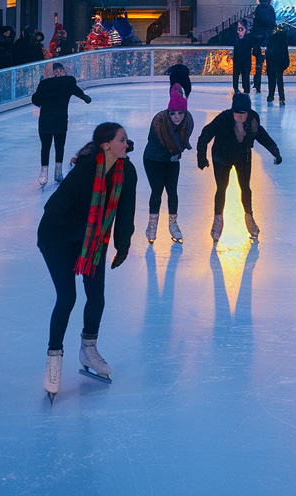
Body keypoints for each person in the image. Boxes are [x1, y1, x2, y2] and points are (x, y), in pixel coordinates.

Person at [38, 121, 137, 400]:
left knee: (96, 296)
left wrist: (123, 243)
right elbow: (53, 208)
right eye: (122, 140)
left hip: (93, 242)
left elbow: (125, 209)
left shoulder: (126, 171)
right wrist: (78, 234)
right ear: (106, 145)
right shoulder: (84, 169)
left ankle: (88, 350)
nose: (127, 144)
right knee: (67, 297)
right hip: (58, 238)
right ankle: (54, 359)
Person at [197, 92, 282, 242]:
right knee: (222, 188)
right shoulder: (223, 118)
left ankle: (249, 217)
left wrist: (275, 152)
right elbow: (205, 134)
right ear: (232, 110)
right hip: (221, 156)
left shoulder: (252, 121)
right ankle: (218, 220)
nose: (240, 116)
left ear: (248, 112)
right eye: (237, 113)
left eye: (243, 113)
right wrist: (201, 157)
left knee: (245, 187)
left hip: (243, 156)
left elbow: (262, 136)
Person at [143, 84, 194, 242]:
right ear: (168, 112)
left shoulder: (188, 121)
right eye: (173, 113)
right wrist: (176, 151)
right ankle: (152, 226)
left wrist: (177, 152)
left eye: (180, 113)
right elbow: (164, 142)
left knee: (172, 191)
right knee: (157, 191)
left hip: (171, 160)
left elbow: (183, 141)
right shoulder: (159, 120)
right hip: (154, 159)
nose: (177, 117)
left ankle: (173, 224)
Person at [31, 62, 92, 187]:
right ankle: (54, 172)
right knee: (56, 145)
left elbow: (36, 100)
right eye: (57, 70)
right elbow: (79, 92)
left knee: (48, 146)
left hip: (47, 120)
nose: (58, 73)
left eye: (60, 70)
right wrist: (86, 98)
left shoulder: (47, 84)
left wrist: (85, 98)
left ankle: (47, 172)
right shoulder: (67, 83)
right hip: (58, 119)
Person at [266, 26, 291, 105]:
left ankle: (271, 96)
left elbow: (269, 50)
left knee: (272, 80)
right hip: (279, 62)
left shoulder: (271, 38)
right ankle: (281, 97)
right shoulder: (283, 39)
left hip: (273, 62)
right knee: (279, 80)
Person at [232, 18, 253, 94]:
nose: (238, 32)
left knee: (245, 75)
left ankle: (246, 90)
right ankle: (236, 88)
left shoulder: (248, 39)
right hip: (238, 59)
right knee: (236, 74)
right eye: (238, 29)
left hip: (245, 60)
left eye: (241, 29)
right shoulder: (236, 38)